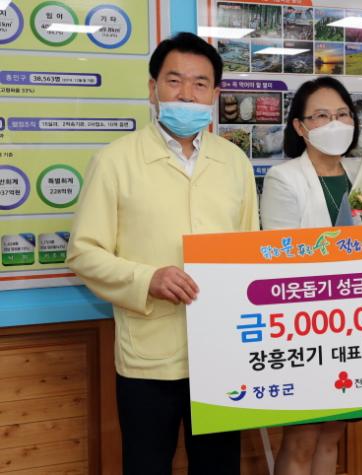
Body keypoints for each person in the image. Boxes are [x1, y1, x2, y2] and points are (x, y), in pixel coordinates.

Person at [67, 32, 259, 474]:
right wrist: (146, 279)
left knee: (218, 466)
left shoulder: (234, 162)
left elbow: (249, 249)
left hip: (221, 354)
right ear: (153, 88)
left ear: (215, 94)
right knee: (146, 465)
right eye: (174, 81)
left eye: (200, 83)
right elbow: (83, 252)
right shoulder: (115, 160)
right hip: (148, 358)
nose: (186, 94)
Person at [260, 76, 362, 473]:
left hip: (356, 323)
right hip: (306, 324)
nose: (334, 123)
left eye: (342, 114)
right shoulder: (284, 178)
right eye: (321, 116)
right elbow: (281, 257)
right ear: (300, 127)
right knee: (302, 438)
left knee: (333, 433)